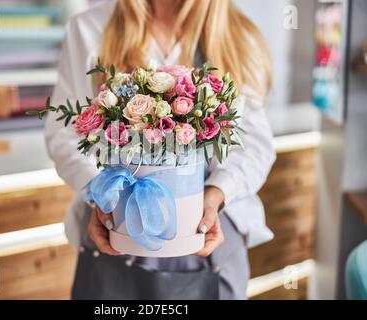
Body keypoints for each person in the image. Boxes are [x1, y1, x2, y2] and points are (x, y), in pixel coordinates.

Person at [45, 0, 276, 300]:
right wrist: (101, 195)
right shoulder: (88, 31)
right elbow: (64, 135)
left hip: (207, 238)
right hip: (118, 229)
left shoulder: (238, 36)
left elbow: (254, 145)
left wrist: (217, 194)